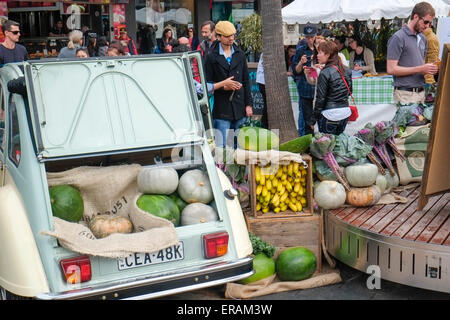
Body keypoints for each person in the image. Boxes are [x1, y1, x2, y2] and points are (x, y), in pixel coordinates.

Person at [204, 21, 253, 148]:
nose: (231, 38)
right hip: (221, 108)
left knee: (241, 146)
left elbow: (246, 81)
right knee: (222, 148)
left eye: (233, 35)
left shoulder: (240, 54)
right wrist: (223, 86)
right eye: (227, 36)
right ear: (219, 37)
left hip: (240, 106)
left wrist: (249, 105)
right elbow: (206, 84)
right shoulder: (210, 56)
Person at [387, 1, 438, 104]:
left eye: (430, 23)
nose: (428, 26)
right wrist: (420, 68)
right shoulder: (398, 37)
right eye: (426, 22)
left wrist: (430, 69)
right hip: (405, 94)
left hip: (421, 92)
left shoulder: (423, 38)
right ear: (415, 17)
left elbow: (419, 67)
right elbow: (391, 69)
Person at [312, 41, 352, 135]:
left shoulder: (325, 72)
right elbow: (350, 91)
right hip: (344, 112)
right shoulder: (346, 70)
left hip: (329, 113)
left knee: (327, 146)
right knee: (338, 144)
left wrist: (314, 118)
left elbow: (320, 99)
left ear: (328, 54)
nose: (317, 55)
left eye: (320, 52)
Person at [292, 23, 317, 136]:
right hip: (304, 87)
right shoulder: (300, 50)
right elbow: (295, 71)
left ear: (315, 36)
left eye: (311, 37)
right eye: (307, 37)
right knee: (303, 113)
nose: (310, 39)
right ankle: (302, 136)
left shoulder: (320, 49)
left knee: (316, 113)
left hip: (317, 87)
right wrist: (301, 63)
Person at [256, 53, 268, 129]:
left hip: (262, 80)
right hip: (263, 81)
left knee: (266, 103)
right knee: (267, 103)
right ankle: (264, 124)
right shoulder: (265, 54)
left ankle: (264, 123)